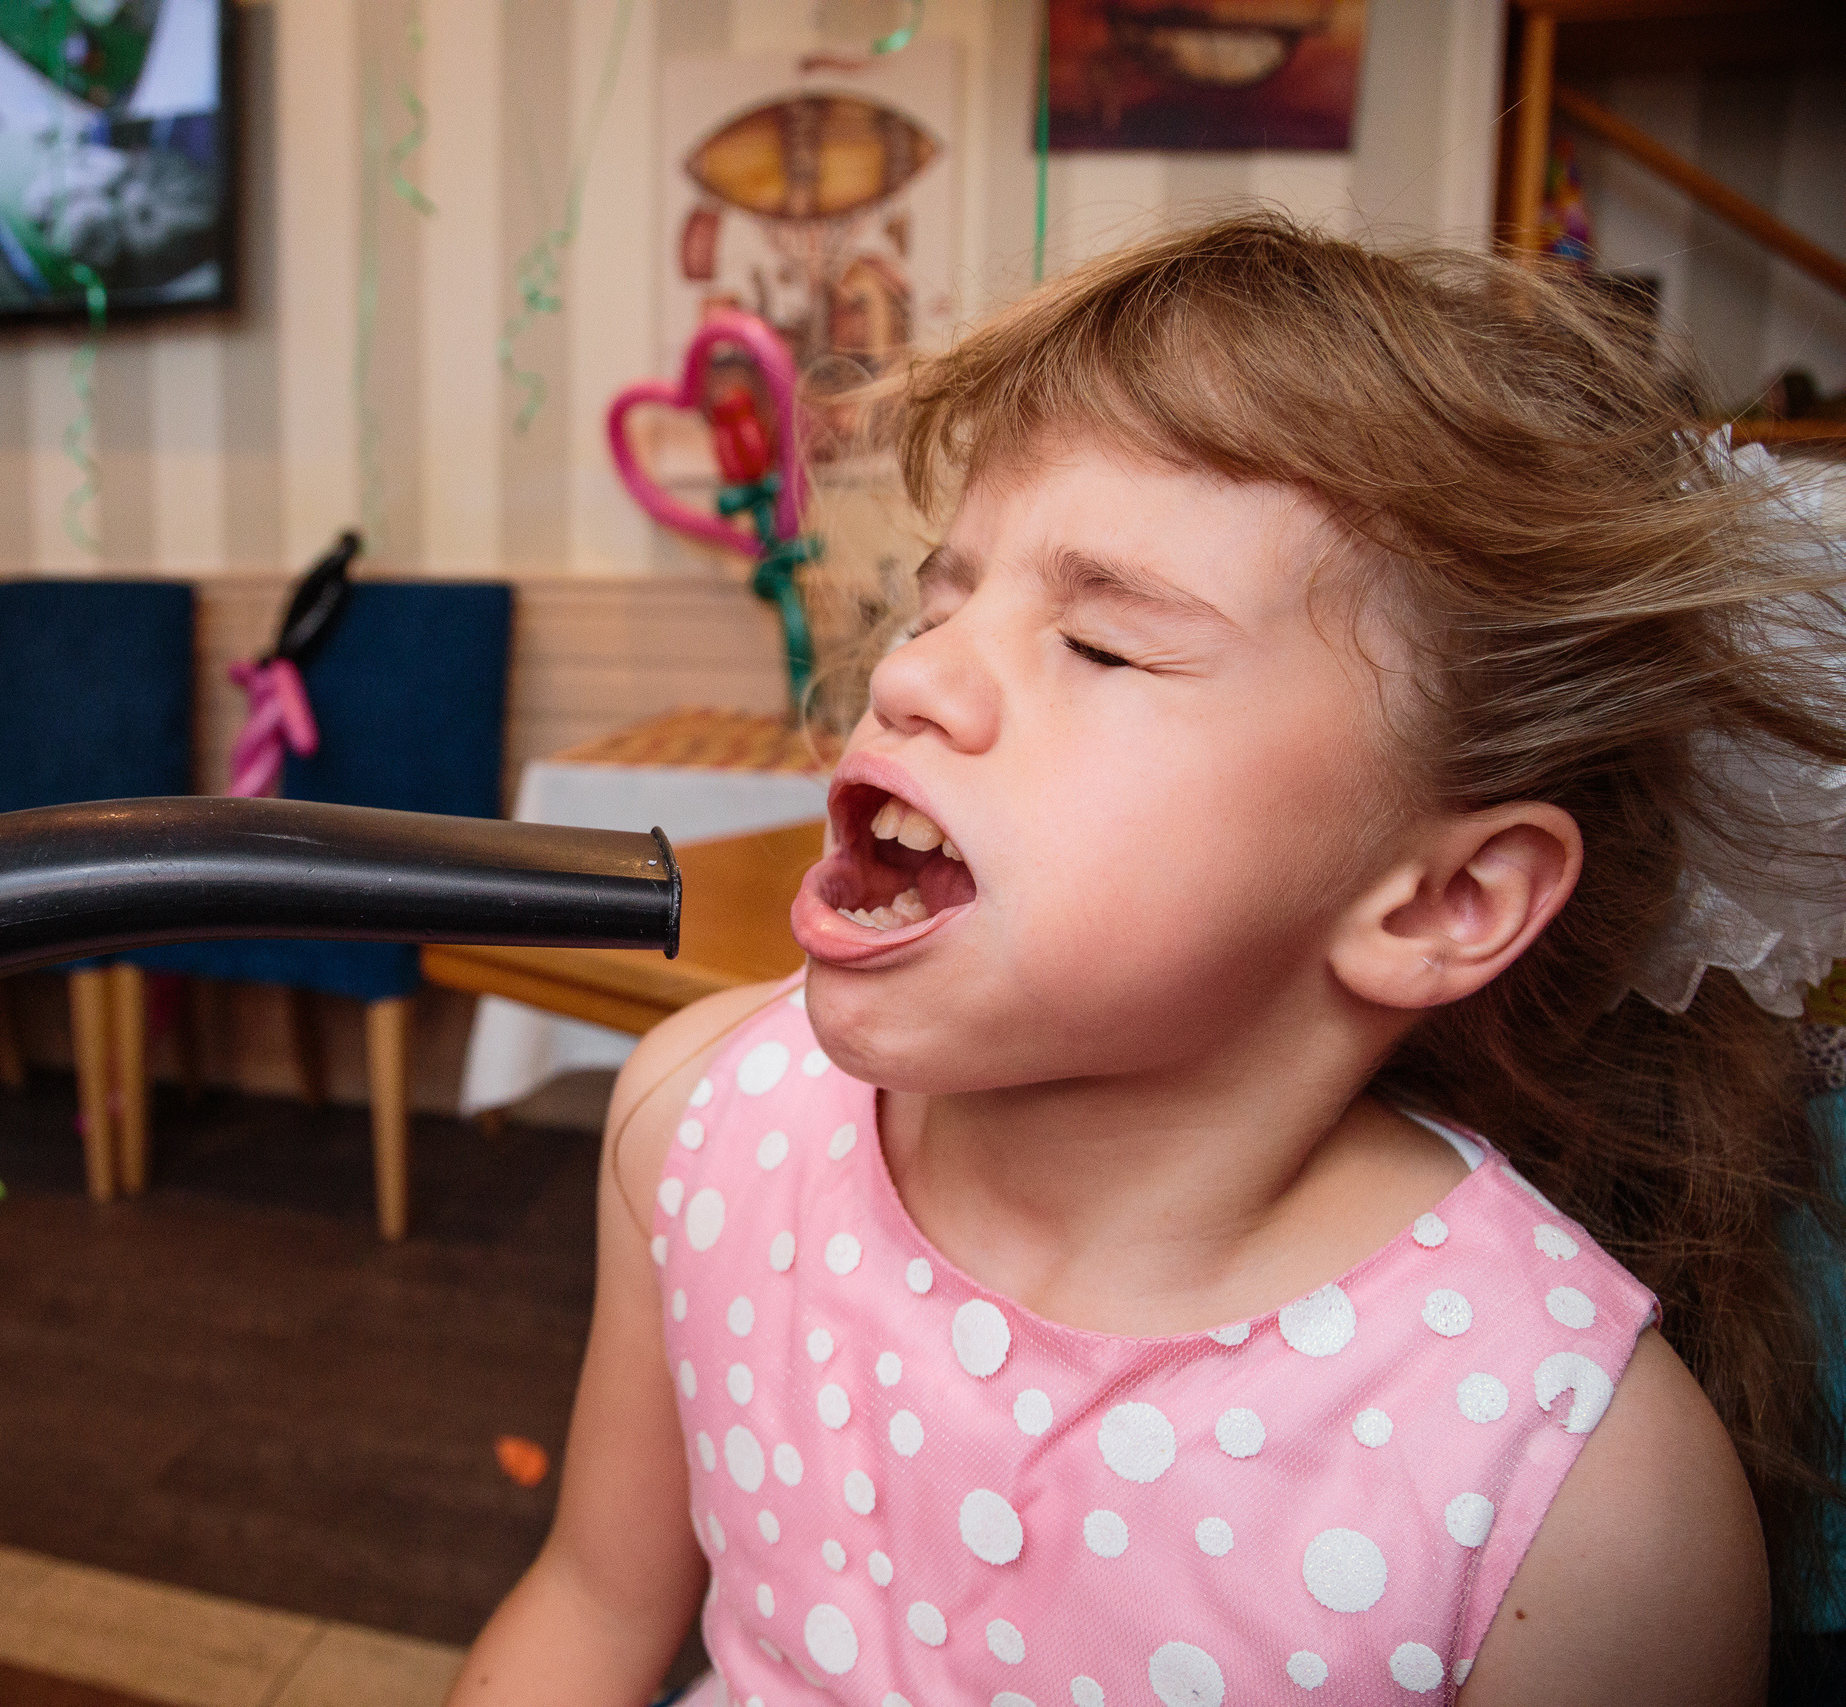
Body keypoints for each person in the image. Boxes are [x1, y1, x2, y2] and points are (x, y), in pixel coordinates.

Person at [448, 216, 1846, 1707]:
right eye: (939, 601)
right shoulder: (700, 1125)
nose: (905, 675)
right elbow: (596, 1608)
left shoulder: (1581, 1502)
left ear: (1443, 900)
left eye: (1103, 647)